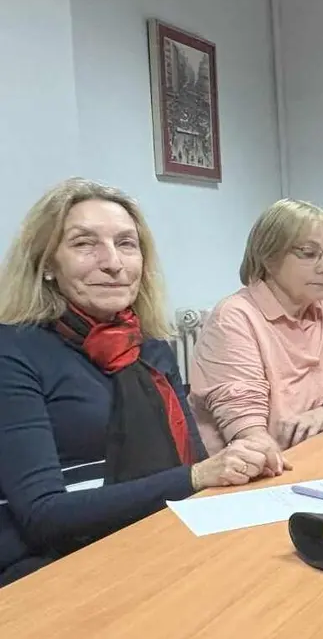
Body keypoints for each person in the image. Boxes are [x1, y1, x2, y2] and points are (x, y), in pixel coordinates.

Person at [0, 179, 271, 587]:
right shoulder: (14, 351)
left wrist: (238, 461)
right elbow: (44, 515)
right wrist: (198, 478)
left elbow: (191, 462)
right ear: (47, 265)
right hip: (53, 565)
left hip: (157, 535)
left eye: (127, 244)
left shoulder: (153, 348)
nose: (113, 262)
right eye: (84, 244)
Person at [189, 199, 323, 457]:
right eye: (308, 254)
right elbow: (252, 439)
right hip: (259, 478)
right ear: (268, 256)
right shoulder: (234, 317)